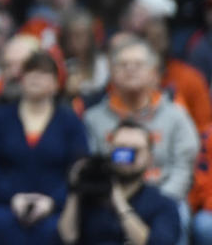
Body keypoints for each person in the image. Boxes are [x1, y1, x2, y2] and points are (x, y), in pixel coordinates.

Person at [0, 51, 89, 244]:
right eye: (30, 72)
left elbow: (79, 168)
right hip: (4, 204)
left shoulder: (70, 122)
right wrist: (12, 197)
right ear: (21, 79)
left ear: (56, 84)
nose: (36, 78)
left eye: (44, 73)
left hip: (55, 208)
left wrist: (53, 201)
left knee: (56, 228)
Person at [83, 38, 199, 202]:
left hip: (166, 200)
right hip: (108, 201)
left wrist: (157, 204)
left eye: (138, 64)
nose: (130, 69)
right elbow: (91, 168)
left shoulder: (176, 116)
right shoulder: (93, 119)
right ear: (111, 72)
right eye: (122, 65)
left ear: (154, 72)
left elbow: (183, 169)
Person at [58, 119, 181, 245]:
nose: (126, 156)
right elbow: (67, 237)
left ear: (150, 159)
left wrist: (119, 203)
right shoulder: (90, 191)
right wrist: (74, 189)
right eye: (120, 149)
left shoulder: (163, 204)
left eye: (134, 150)